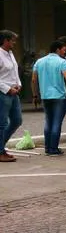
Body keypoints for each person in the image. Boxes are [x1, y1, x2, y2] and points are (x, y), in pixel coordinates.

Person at [32, 40, 66, 157]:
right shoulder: (62, 62)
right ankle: (53, 149)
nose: (65, 52)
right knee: (56, 123)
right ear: (58, 49)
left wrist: (35, 95)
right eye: (63, 49)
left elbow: (34, 80)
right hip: (59, 97)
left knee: (48, 122)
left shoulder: (39, 62)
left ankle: (47, 148)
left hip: (45, 96)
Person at [0, 30, 22, 162]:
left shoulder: (10, 53)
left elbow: (15, 71)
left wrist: (18, 84)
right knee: (2, 124)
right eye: (12, 40)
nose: (14, 42)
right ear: (5, 40)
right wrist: (8, 89)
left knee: (17, 120)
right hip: (3, 93)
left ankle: (1, 147)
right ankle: (0, 152)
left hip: (14, 92)